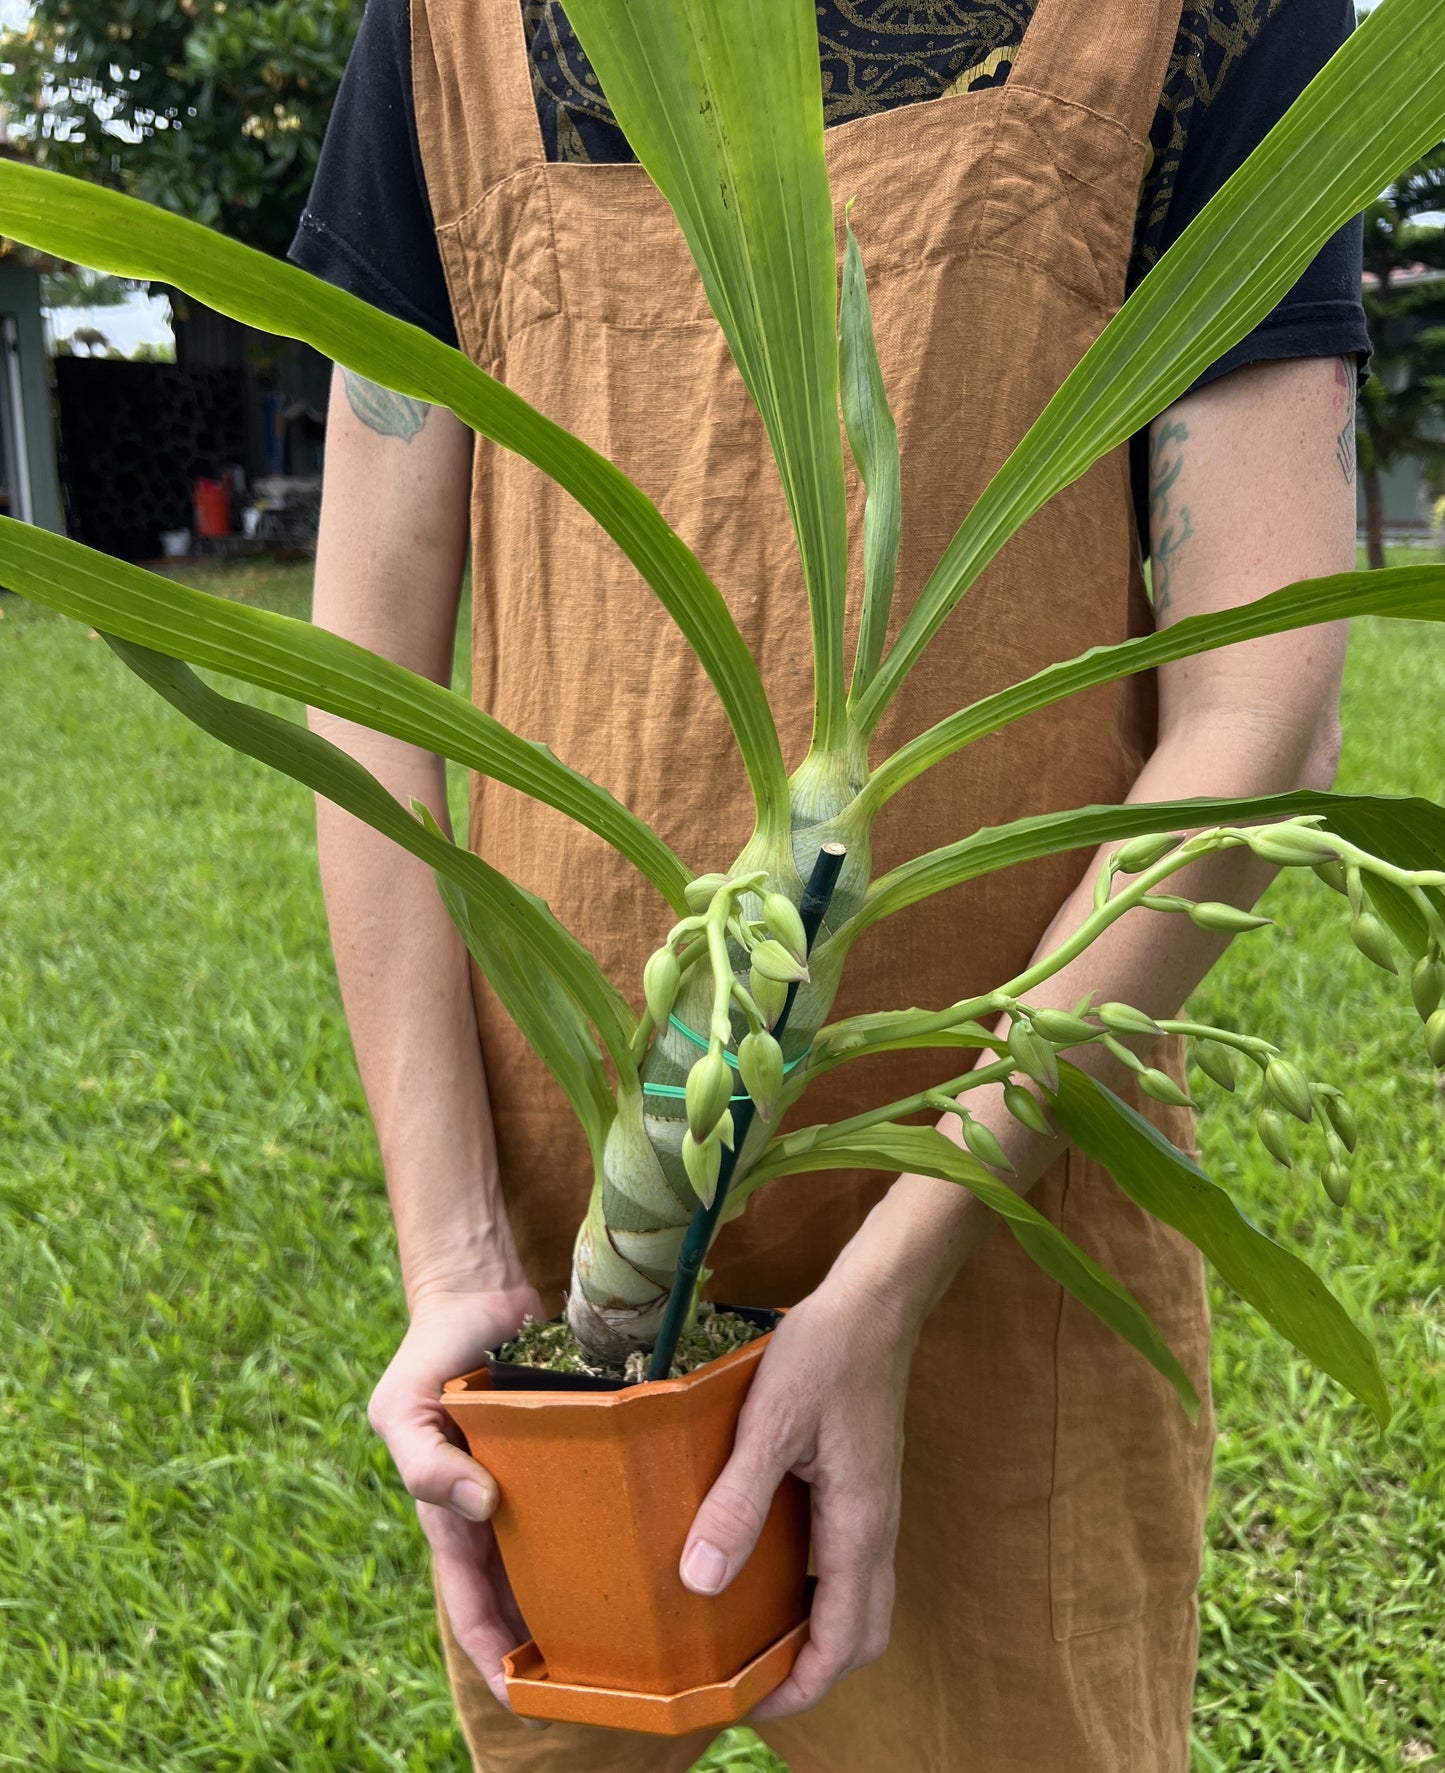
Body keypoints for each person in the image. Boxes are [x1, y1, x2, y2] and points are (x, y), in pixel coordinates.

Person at [291, 2, 1368, 1767]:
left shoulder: (1209, 19)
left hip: (1006, 1201)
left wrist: (891, 1274)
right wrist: (456, 1261)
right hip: (558, 1271)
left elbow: (1256, 708)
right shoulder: (452, 32)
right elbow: (371, 693)